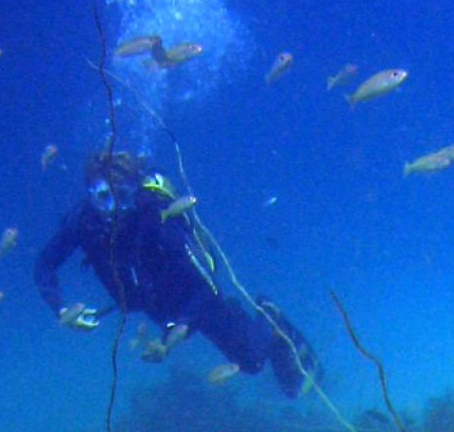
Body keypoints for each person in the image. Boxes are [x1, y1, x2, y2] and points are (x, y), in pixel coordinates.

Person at [34, 149, 320, 397]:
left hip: (194, 299)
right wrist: (61, 309)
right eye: (103, 198)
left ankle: (269, 313)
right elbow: (44, 264)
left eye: (120, 197)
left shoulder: (158, 219)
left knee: (252, 362)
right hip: (156, 305)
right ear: (91, 196)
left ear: (134, 191)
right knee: (243, 359)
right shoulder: (83, 223)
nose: (112, 210)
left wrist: (172, 337)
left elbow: (207, 287)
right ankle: (240, 321)